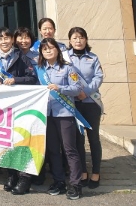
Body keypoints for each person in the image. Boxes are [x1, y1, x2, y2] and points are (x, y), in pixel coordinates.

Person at [0, 28, 38, 195]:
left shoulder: (21, 56)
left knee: (22, 140)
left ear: (12, 40)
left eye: (7, 38)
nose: (4, 41)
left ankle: (24, 177)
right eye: (0, 38)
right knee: (7, 140)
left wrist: (15, 80)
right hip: (2, 107)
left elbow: (32, 78)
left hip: (21, 105)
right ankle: (11, 175)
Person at [37, 38, 84, 200]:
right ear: (41, 53)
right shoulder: (40, 69)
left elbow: (77, 88)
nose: (48, 51)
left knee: (69, 150)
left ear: (57, 50)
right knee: (53, 150)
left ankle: (75, 184)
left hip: (64, 114)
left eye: (51, 48)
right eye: (45, 49)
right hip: (47, 115)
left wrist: (60, 88)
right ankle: (59, 181)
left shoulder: (68, 68)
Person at [65, 27, 104, 190]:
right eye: (74, 38)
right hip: (74, 104)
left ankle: (96, 172)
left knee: (93, 138)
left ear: (86, 39)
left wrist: (85, 92)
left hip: (91, 103)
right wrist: (76, 93)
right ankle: (83, 172)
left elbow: (98, 77)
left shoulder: (93, 58)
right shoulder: (65, 57)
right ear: (70, 41)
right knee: (78, 140)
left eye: (81, 37)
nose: (78, 41)